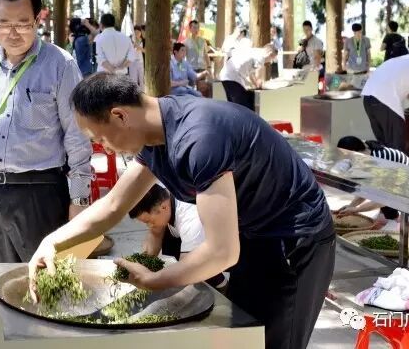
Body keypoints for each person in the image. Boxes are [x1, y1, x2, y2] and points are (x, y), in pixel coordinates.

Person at [28, 74, 335, 349]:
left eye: (101, 139)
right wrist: (51, 242)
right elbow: (112, 205)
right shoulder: (156, 133)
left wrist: (155, 280)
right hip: (254, 234)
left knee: (274, 339)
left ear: (120, 115)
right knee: (245, 334)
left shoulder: (198, 139)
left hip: (293, 238)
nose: (105, 149)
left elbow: (222, 252)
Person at [0, 0, 92, 263]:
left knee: (46, 281)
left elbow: (78, 136)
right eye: (3, 23)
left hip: (40, 193)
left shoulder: (60, 65)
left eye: (22, 23)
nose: (12, 33)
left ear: (36, 20)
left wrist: (79, 200)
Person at [129, 184, 228, 290]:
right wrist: (142, 265)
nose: (149, 226)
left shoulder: (190, 219)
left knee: (195, 265)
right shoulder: (163, 197)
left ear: (163, 207)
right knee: (162, 232)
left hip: (229, 239)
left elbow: (187, 267)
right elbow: (155, 234)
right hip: (199, 231)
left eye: (149, 221)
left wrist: (151, 280)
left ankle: (221, 285)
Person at [335, 136, 409, 222]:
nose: (349, 160)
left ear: (356, 152)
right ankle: (391, 218)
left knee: (383, 194)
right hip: (395, 180)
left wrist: (355, 210)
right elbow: (366, 189)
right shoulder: (366, 152)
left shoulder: (380, 160)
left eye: (349, 156)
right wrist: (351, 206)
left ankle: (394, 221)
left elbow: (385, 198)